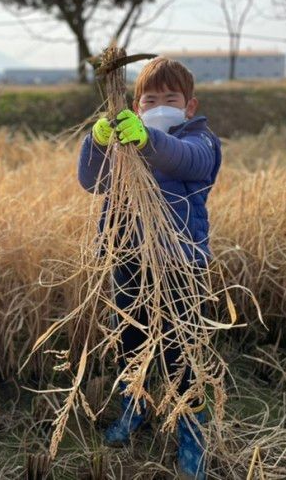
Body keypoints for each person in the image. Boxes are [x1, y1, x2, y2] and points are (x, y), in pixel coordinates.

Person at [76, 56, 222, 479]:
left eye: (170, 98)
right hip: (128, 260)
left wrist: (148, 141)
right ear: (136, 107)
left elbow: (186, 160)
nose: (160, 104)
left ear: (189, 106)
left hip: (180, 265)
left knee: (182, 352)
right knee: (131, 342)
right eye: (150, 99)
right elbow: (92, 182)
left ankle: (191, 430)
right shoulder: (124, 144)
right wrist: (99, 142)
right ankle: (134, 407)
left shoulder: (200, 141)